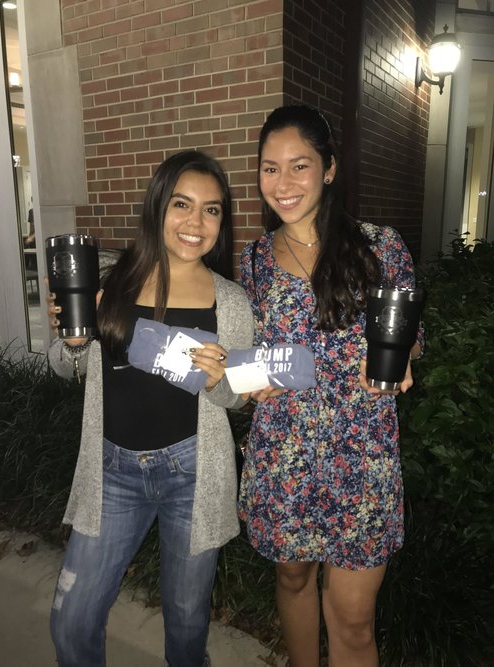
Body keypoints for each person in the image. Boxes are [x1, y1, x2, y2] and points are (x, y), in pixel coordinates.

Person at [47, 150, 254, 667]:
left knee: (186, 628)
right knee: (71, 621)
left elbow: (240, 397)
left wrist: (218, 382)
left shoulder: (231, 302)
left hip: (193, 474)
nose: (195, 222)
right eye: (182, 204)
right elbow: (65, 367)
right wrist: (72, 344)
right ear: (158, 206)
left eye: (211, 210)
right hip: (112, 473)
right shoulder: (111, 280)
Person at [238, 105, 423, 667]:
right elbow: (239, 349)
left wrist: (407, 355)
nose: (283, 183)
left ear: (329, 170)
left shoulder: (380, 247)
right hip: (283, 457)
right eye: (270, 168)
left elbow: (413, 335)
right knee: (293, 581)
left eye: (300, 166)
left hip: (361, 458)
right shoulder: (253, 262)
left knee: (353, 620)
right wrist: (250, 380)